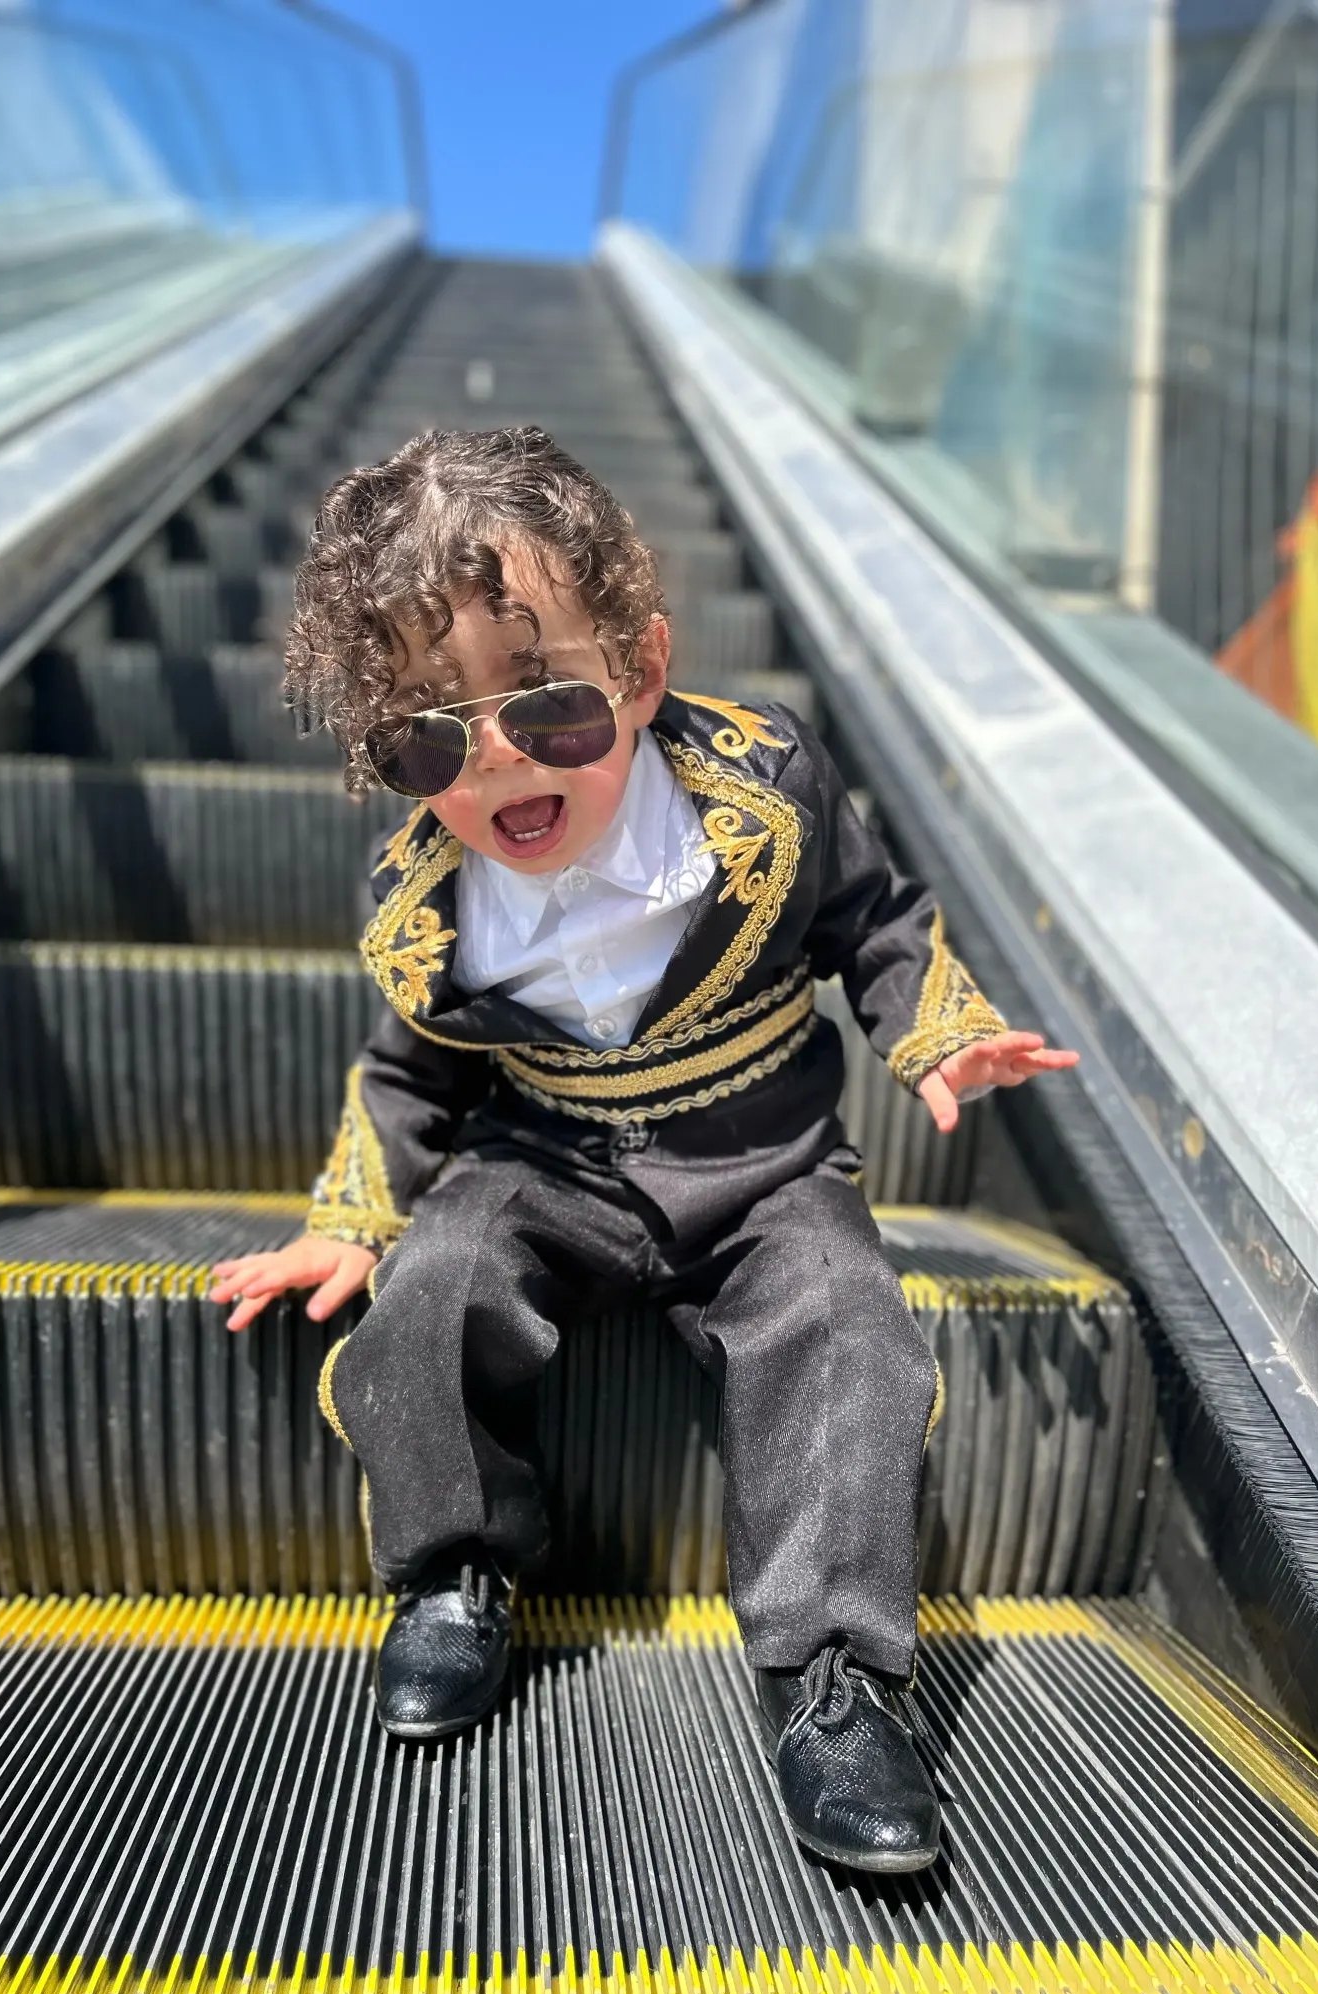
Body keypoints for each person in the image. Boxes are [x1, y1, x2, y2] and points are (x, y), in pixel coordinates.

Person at [211, 426, 1077, 1874]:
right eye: (428, 736)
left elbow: (874, 919)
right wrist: (349, 1220)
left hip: (762, 1162)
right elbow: (411, 1067)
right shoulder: (426, 896)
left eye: (548, 705)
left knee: (846, 1326)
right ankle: (454, 1570)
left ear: (642, 669)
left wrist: (934, 1034)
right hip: (542, 1157)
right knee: (432, 1290)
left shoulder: (762, 786)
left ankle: (833, 1673)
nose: (498, 758)